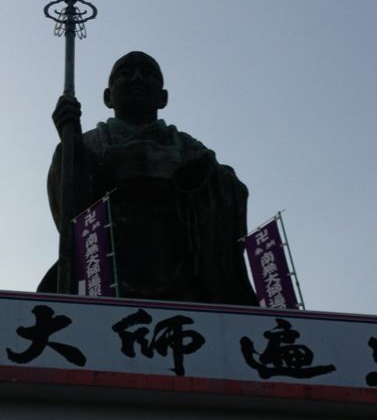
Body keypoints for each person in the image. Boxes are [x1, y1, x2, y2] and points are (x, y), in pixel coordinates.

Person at [38, 51, 257, 306]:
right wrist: (72, 147)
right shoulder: (87, 143)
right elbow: (72, 216)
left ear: (163, 98)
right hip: (110, 263)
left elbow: (228, 190)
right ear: (108, 97)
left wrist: (201, 179)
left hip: (175, 259)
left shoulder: (186, 145)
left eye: (148, 73)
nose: (137, 79)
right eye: (125, 73)